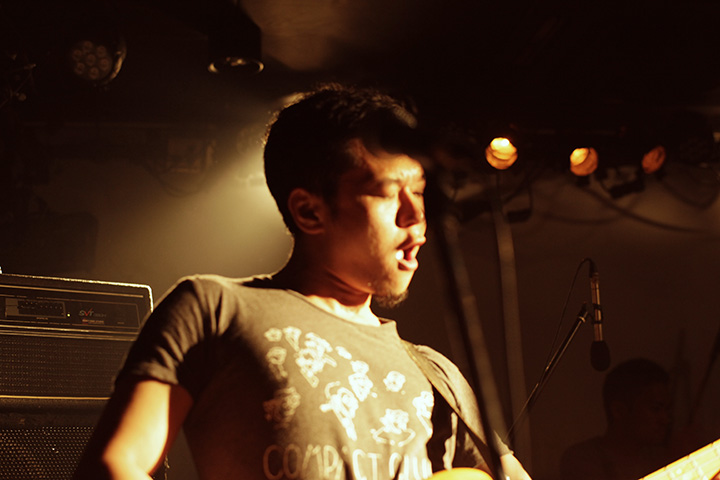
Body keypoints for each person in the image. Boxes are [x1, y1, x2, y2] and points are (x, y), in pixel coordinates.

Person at [72, 83, 532, 480]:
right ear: (310, 211)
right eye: (389, 193)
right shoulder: (215, 308)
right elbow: (115, 465)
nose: (416, 217)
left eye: (420, 193)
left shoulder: (437, 374)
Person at [559, 358, 677, 480]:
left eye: (667, 409)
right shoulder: (583, 459)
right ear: (619, 411)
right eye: (655, 409)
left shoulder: (657, 457)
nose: (665, 419)